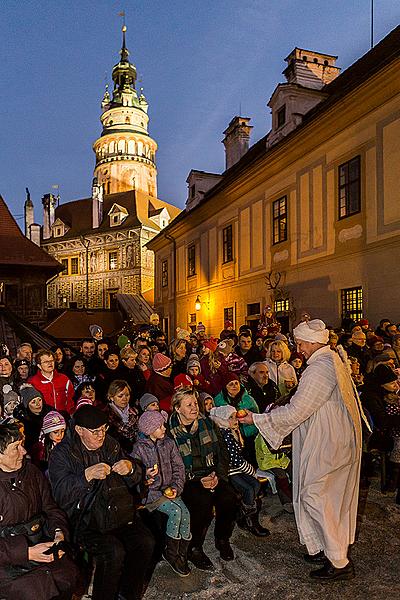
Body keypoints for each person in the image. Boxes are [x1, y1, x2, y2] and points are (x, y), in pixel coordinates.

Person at [239, 319, 366, 582]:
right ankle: (324, 547)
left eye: (300, 344)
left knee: (315, 495)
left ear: (311, 342)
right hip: (329, 439)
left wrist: (256, 419)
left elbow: (298, 410)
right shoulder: (328, 360)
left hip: (329, 443)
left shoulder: (320, 368)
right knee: (323, 496)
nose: (299, 350)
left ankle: (339, 561)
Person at [48, 404, 155, 600]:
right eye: (95, 431)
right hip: (84, 519)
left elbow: (134, 480)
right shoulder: (62, 453)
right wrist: (85, 476)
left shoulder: (111, 444)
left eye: (104, 429)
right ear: (79, 430)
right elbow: (60, 495)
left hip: (116, 511)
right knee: (113, 551)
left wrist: (131, 468)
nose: (101, 435)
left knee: (145, 541)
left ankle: (128, 594)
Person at [0, 420, 79, 599]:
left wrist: (59, 533)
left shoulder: (32, 472)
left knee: (68, 574)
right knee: (35, 590)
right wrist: (26, 552)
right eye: (16, 448)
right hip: (6, 562)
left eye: (22, 444)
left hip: (38, 543)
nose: (24, 451)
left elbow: (51, 509)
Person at [168, 389, 237, 571]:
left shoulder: (208, 424)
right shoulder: (170, 432)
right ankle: (194, 547)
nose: (194, 408)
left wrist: (218, 476)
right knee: (202, 503)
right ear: (177, 408)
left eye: (195, 404)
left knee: (230, 498)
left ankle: (222, 539)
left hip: (211, 473)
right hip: (186, 479)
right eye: (189, 405)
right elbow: (172, 466)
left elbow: (222, 453)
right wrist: (197, 480)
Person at [132, 411, 191, 576]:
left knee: (185, 513)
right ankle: (171, 552)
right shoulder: (139, 450)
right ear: (149, 430)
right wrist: (145, 479)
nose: (164, 428)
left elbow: (179, 468)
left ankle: (182, 552)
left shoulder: (169, 444)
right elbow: (133, 476)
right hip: (152, 495)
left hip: (170, 491)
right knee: (176, 512)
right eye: (159, 426)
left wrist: (175, 487)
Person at [210, 405, 269, 537]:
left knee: (256, 484)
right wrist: (251, 471)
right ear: (223, 420)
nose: (235, 420)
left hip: (238, 468)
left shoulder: (233, 431)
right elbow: (235, 460)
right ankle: (250, 521)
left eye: (235, 416)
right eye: (230, 417)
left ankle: (244, 515)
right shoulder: (225, 434)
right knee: (248, 488)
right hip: (230, 471)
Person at [29, 350, 74, 415]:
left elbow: (70, 399)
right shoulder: (32, 382)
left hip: (63, 418)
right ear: (39, 366)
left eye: (51, 361)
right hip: (43, 419)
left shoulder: (64, 379)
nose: (50, 363)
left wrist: (69, 414)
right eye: (46, 362)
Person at [105, 380, 138, 453]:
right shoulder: (106, 415)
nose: (124, 399)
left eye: (127, 395)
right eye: (120, 396)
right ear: (111, 397)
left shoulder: (135, 411)